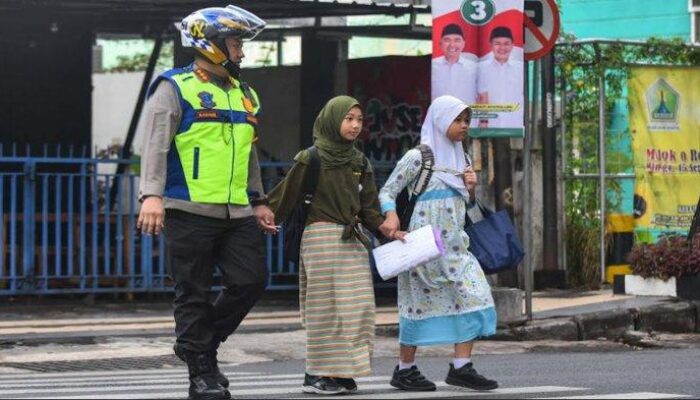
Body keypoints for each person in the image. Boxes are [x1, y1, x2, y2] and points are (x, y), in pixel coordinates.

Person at [136, 5, 276, 400]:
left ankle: (199, 346)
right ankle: (201, 373)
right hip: (188, 208)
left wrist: (259, 199)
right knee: (192, 291)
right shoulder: (173, 86)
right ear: (210, 45)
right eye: (235, 43)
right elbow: (154, 146)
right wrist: (151, 196)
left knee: (251, 280)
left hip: (237, 211)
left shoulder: (245, 94)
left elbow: (248, 153)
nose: (241, 52)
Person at [378, 96, 498, 392]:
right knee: (416, 307)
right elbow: (387, 191)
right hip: (423, 250)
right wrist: (391, 217)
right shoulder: (419, 157)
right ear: (441, 120)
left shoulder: (463, 159)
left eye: (466, 121)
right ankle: (405, 369)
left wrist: (470, 189)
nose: (464, 126)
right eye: (458, 120)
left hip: (457, 249)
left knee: (474, 295)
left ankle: (461, 367)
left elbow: (467, 209)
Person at [268, 96, 386, 395]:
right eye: (349, 119)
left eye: (359, 119)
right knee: (326, 308)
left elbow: (370, 209)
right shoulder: (311, 157)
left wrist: (389, 231)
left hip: (353, 239)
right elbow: (285, 195)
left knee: (358, 308)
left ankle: (343, 371)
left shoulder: (360, 161)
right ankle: (317, 373)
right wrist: (262, 216)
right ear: (333, 120)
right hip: (320, 238)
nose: (355, 125)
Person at [477, 26, 524, 129]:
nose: (502, 48)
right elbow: (482, 97)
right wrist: (483, 120)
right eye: (497, 44)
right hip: (488, 127)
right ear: (491, 45)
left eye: (506, 44)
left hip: (515, 126)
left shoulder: (520, 69)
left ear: (512, 45)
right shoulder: (481, 68)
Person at [431, 24, 478, 106]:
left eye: (457, 40)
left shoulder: (475, 68)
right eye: (447, 40)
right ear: (440, 43)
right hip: (439, 117)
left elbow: (483, 97)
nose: (452, 45)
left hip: (467, 117)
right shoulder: (432, 66)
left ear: (463, 44)